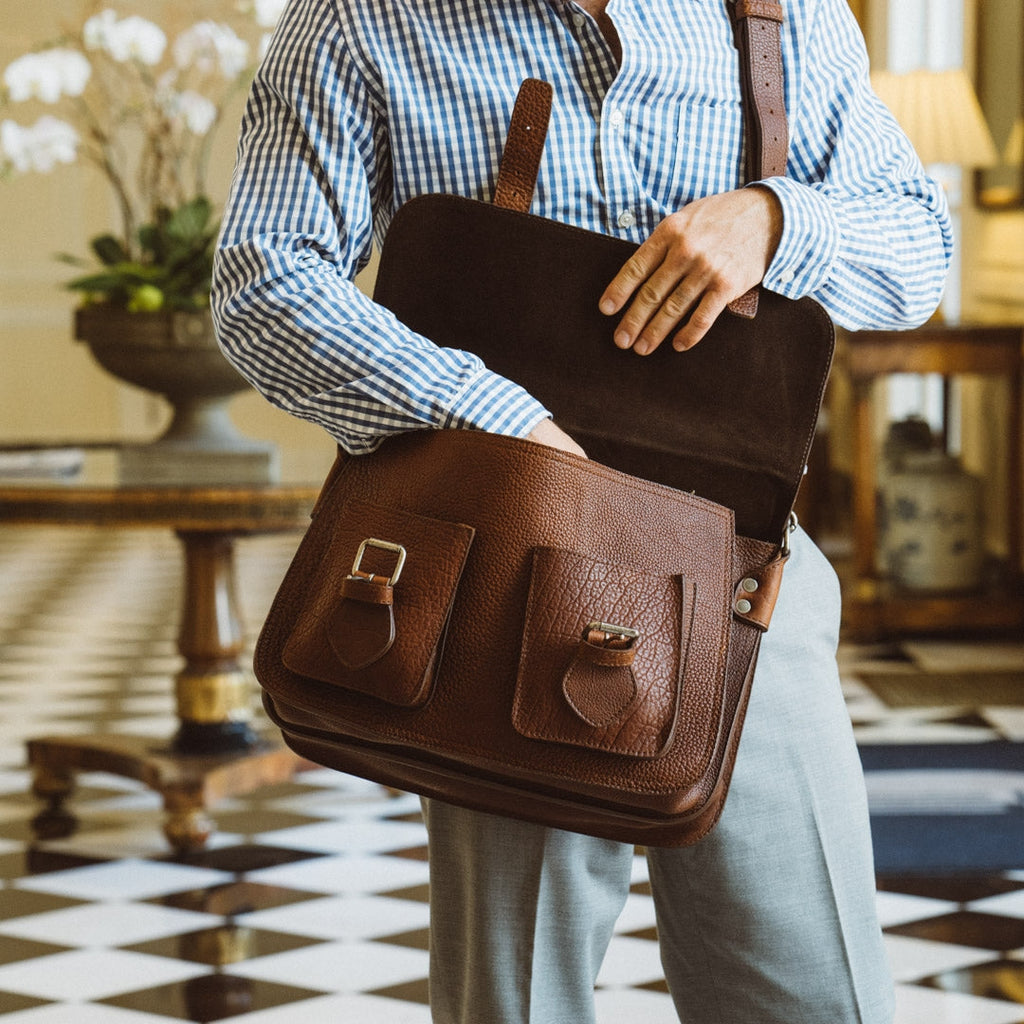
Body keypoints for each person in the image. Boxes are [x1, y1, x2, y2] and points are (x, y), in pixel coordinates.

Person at [212, 1, 952, 1021]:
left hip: (741, 582)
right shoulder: (361, 19)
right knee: (515, 1000)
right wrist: (492, 418)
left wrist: (778, 220)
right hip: (494, 580)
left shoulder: (788, 16)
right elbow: (264, 281)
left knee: (813, 992)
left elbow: (921, 249)